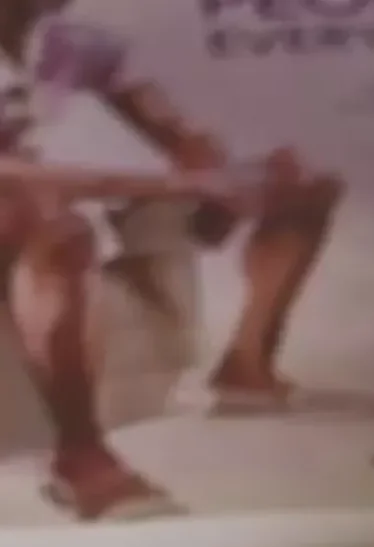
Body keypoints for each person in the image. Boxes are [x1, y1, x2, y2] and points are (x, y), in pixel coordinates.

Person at [0, 0, 343, 518]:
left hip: (38, 203)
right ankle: (80, 457)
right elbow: (15, 176)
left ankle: (246, 367)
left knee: (303, 183)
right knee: (44, 219)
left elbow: (156, 115)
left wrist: (216, 164)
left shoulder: (69, 43)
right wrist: (181, 184)